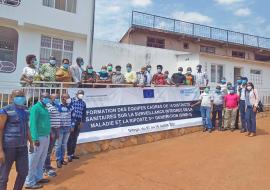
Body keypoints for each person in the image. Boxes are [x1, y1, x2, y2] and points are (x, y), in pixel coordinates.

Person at [0, 90, 31, 190]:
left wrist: (31, 142)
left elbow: (27, 128)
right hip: (8, 148)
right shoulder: (5, 110)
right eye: (18, 96)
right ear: (12, 97)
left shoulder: (26, 110)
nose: (21, 98)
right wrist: (0, 151)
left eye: (22, 95)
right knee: (3, 177)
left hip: (22, 147)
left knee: (23, 172)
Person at [25, 92, 51, 189]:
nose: (47, 99)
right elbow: (32, 124)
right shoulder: (35, 108)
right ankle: (29, 182)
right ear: (41, 98)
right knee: (33, 160)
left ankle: (38, 177)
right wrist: (34, 138)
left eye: (48, 97)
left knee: (41, 159)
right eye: (46, 97)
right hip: (38, 138)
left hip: (45, 136)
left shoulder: (45, 107)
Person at [43, 94, 61, 177]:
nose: (57, 99)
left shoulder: (56, 106)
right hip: (51, 130)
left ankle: (47, 166)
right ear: (51, 99)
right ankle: (45, 168)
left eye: (57, 97)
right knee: (47, 151)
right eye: (55, 98)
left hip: (56, 129)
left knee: (50, 150)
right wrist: (51, 131)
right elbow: (46, 119)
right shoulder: (48, 106)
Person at [67, 90, 86, 162]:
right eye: (80, 94)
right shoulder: (71, 101)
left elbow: (84, 114)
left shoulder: (83, 103)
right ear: (76, 94)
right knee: (70, 138)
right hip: (71, 121)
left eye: (82, 94)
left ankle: (72, 154)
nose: (81, 95)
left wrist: (82, 122)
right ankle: (68, 155)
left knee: (75, 138)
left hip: (78, 122)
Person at [56, 94, 72, 168]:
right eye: (67, 97)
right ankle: (58, 160)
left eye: (69, 97)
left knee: (64, 144)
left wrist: (72, 126)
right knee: (58, 145)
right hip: (60, 128)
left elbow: (73, 116)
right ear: (62, 98)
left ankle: (62, 159)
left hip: (67, 128)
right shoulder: (58, 106)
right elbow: (55, 117)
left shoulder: (70, 106)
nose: (69, 99)